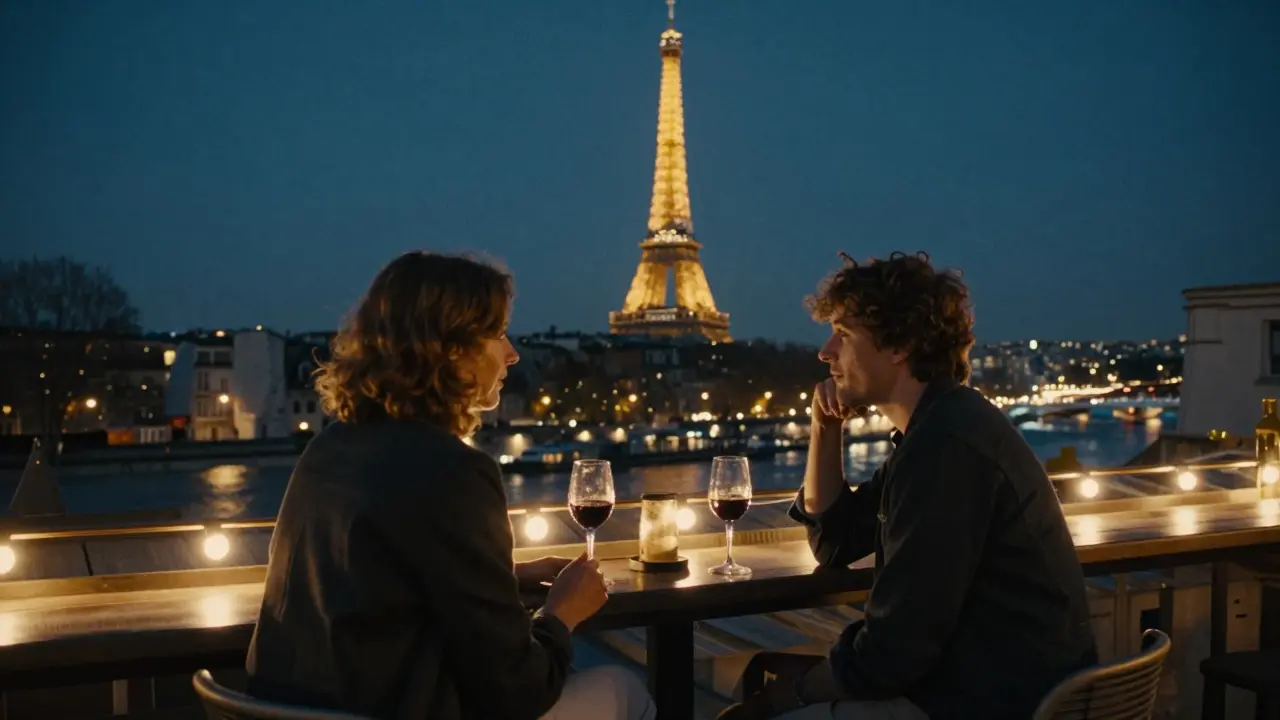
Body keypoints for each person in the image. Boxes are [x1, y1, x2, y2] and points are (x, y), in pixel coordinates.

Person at [245, 251, 655, 720]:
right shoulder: (454, 471)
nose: (512, 353)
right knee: (623, 688)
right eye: (498, 334)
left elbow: (374, 578)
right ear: (453, 351)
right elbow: (519, 689)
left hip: (292, 711)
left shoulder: (329, 447)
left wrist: (500, 577)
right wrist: (562, 613)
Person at [720, 252, 1097, 720]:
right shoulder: (940, 429)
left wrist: (791, 695)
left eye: (844, 334)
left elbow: (892, 654)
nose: (826, 352)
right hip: (1000, 688)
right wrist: (824, 427)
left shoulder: (944, 448)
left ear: (899, 345)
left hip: (985, 702)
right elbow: (836, 541)